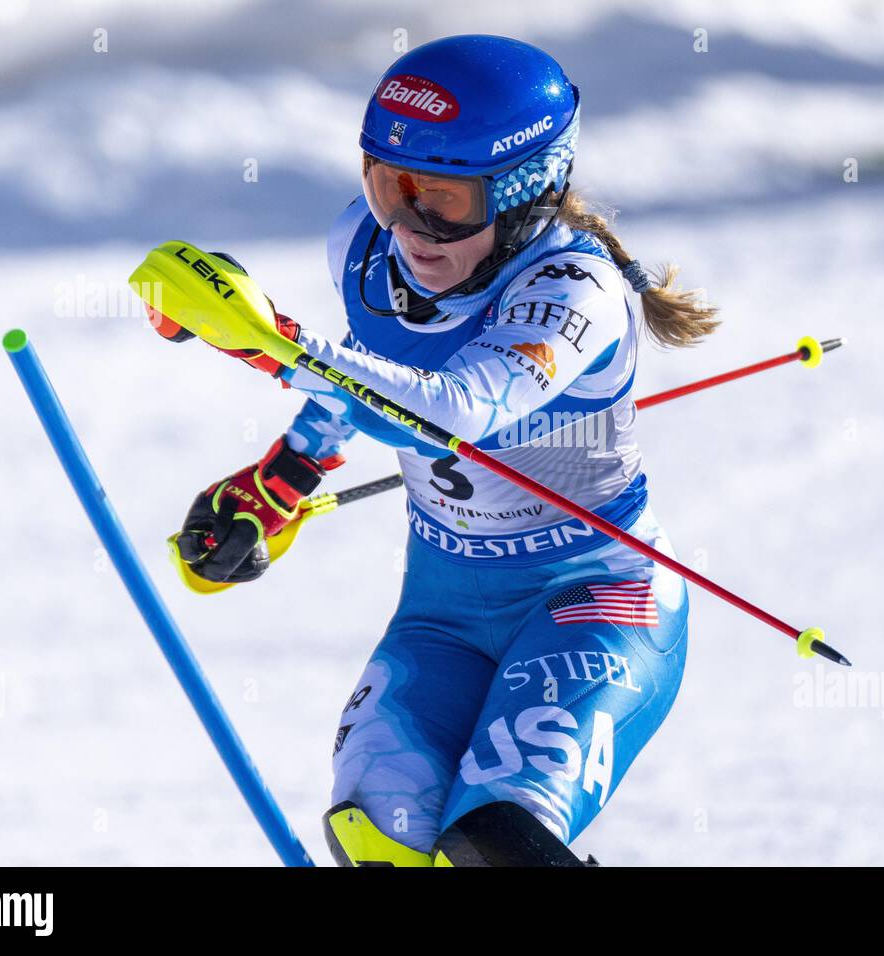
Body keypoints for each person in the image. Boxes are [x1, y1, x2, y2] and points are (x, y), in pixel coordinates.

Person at [154, 34, 719, 866]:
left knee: (491, 844)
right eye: (389, 186)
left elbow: (454, 412)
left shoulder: (576, 290)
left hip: (593, 598)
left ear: (527, 191)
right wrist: (280, 480)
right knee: (377, 839)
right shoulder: (368, 250)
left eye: (443, 202)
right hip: (444, 611)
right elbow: (373, 369)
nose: (411, 228)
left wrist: (273, 344)